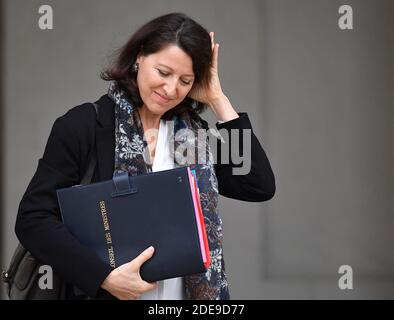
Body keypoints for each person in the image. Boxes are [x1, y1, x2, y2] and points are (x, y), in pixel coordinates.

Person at [15, 12, 275, 300]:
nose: (171, 89)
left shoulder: (192, 137)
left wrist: (218, 99)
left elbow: (255, 184)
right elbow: (33, 219)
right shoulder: (85, 125)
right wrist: (104, 277)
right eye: (163, 72)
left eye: (186, 80)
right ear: (139, 57)